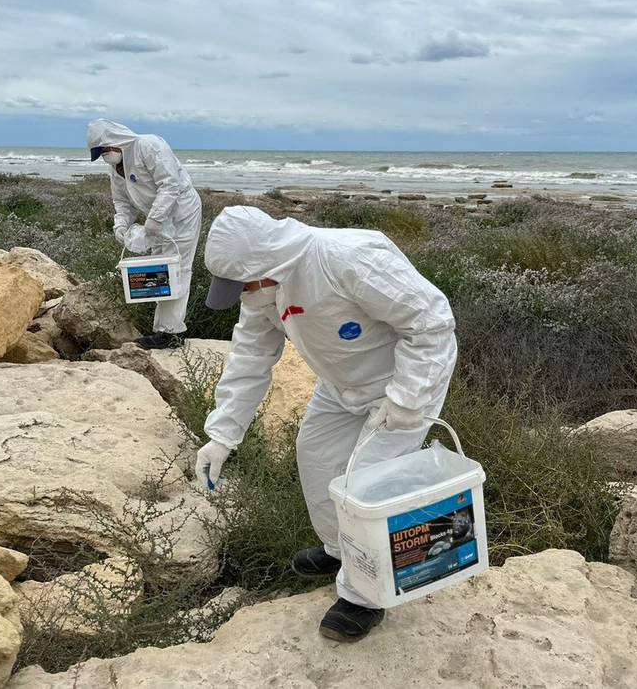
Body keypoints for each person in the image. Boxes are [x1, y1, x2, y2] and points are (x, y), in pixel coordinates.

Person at [196, 205, 457, 642]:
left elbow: (431, 323)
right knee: (315, 455)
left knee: (368, 484)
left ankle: (364, 596)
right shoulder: (264, 289)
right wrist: (222, 434)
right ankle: (341, 548)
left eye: (242, 284)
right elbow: (251, 356)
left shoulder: (347, 258)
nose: (242, 295)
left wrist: (408, 398)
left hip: (401, 383)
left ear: (267, 263)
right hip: (340, 382)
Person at [87, 119, 202, 350]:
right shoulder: (116, 169)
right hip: (157, 219)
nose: (105, 156)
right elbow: (121, 202)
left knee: (177, 268)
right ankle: (163, 329)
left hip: (182, 214)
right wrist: (121, 226)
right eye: (101, 153)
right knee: (161, 270)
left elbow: (170, 184)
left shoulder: (148, 145)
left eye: (104, 150)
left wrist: (155, 219)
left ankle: (171, 333)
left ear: (115, 141)